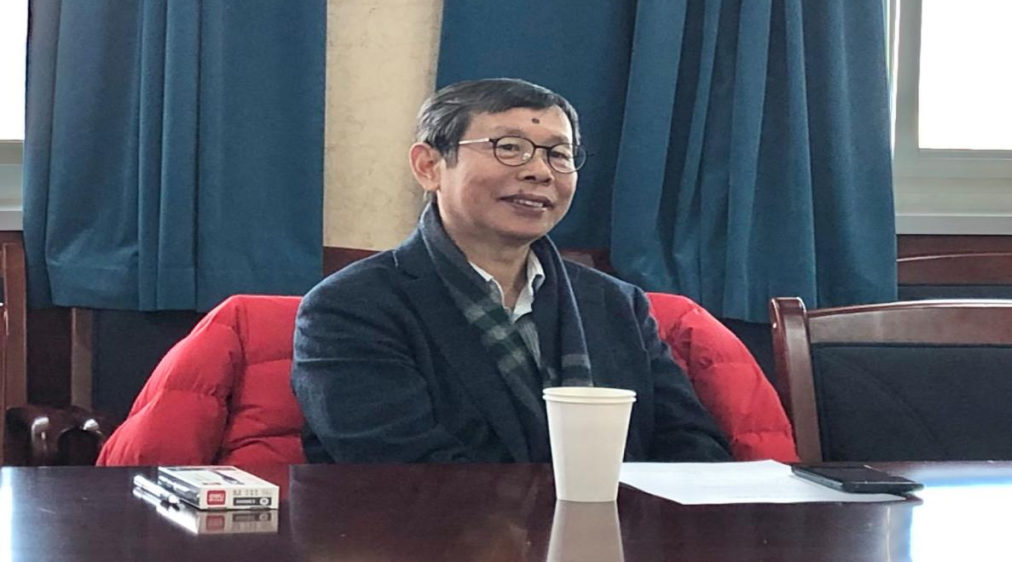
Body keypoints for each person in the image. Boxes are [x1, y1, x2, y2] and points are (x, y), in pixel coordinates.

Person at [292, 78, 731, 463]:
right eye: (509, 148)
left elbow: (691, 445)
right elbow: (402, 470)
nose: (540, 172)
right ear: (429, 167)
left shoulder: (616, 303)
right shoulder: (350, 307)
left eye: (559, 154)